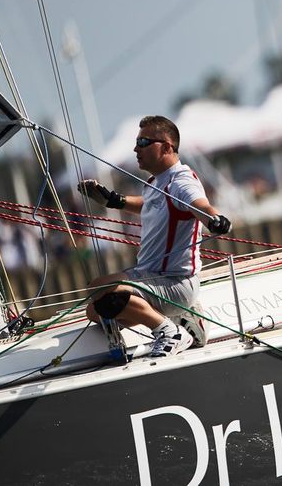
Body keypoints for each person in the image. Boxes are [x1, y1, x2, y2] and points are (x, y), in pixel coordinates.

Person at [79, 115, 231, 359]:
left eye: (143, 142)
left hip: (175, 281)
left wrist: (215, 219)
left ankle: (171, 332)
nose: (135, 149)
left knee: (108, 294)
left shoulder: (181, 181)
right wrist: (114, 201)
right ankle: (179, 316)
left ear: (167, 147)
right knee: (94, 310)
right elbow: (150, 204)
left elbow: (199, 204)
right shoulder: (155, 183)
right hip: (152, 276)